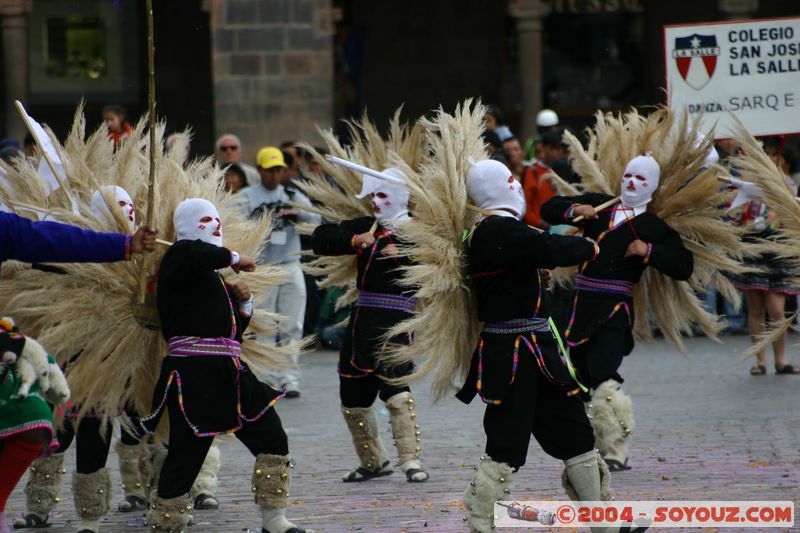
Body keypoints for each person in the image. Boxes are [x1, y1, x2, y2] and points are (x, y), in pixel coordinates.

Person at [459, 159, 647, 533]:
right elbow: (549, 246)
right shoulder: (496, 230)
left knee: (575, 433)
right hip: (511, 355)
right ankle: (480, 525)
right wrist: (588, 246)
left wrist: (536, 274)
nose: (515, 185)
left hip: (539, 352)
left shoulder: (502, 231)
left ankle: (603, 523)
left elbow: (527, 256)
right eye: (509, 180)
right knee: (506, 445)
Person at [139, 198, 311, 533]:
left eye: (217, 220)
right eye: (206, 220)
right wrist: (233, 257)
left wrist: (243, 303)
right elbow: (195, 252)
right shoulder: (179, 257)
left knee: (272, 436)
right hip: (193, 375)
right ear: (186, 227)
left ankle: (274, 521)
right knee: (186, 458)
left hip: (231, 373)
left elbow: (231, 333)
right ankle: (166, 525)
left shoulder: (210, 274)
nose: (216, 226)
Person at [0, 212, 157, 533]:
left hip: (90, 377)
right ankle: (36, 507)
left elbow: (47, 238)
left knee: (34, 419)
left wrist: (126, 244)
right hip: (54, 365)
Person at [541, 155, 694, 472]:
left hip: (615, 309)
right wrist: (574, 209)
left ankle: (616, 449)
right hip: (580, 306)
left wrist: (648, 251)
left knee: (604, 372)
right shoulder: (600, 205)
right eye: (628, 176)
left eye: (641, 179)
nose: (632, 183)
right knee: (579, 377)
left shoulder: (652, 226)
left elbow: (684, 265)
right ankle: (589, 447)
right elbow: (548, 208)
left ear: (651, 187)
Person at [311, 168, 429, 483]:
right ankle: (373, 461)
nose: (375, 201)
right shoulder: (367, 225)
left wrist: (405, 254)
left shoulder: (421, 231)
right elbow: (320, 238)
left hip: (395, 322)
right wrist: (353, 240)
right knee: (352, 393)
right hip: (361, 321)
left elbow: (444, 263)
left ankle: (411, 460)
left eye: (382, 195)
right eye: (373, 195)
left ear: (401, 197)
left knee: (395, 390)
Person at [239, 147, 321, 398]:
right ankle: (266, 378)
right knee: (263, 326)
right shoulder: (246, 196)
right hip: (261, 268)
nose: (274, 175)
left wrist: (298, 214)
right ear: (259, 169)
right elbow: (234, 225)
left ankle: (289, 378)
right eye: (269, 170)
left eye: (278, 170)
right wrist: (259, 219)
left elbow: (316, 221)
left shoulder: (293, 195)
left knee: (292, 325)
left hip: (290, 265)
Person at [730, 137, 800, 375]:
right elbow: (734, 214)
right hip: (753, 248)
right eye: (767, 155)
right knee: (756, 309)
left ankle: (781, 359)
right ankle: (760, 360)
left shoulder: (788, 185)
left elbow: (790, 216)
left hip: (778, 249)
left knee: (777, 309)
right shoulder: (747, 185)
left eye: (774, 155)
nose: (771, 159)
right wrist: (742, 224)